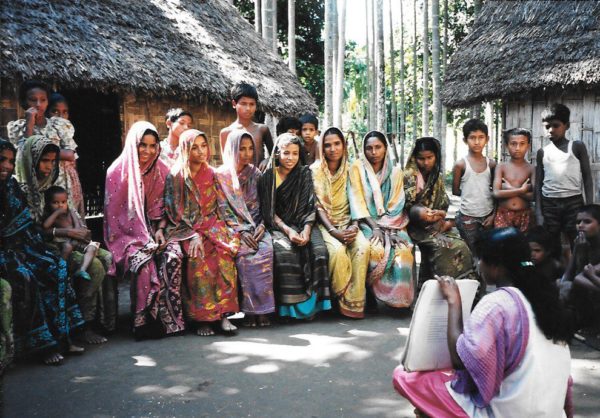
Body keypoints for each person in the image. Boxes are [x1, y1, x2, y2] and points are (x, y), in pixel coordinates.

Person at [393, 227, 574, 418]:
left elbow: (462, 360)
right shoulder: (545, 298)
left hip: (512, 411)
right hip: (551, 409)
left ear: (495, 266)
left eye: (481, 260)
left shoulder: (497, 304)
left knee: (408, 377)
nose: (479, 265)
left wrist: (454, 302)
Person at [0, 138, 84, 365]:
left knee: (52, 265)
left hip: (23, 245)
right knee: (25, 277)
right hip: (4, 253)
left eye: (9, 160)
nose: (7, 166)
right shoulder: (23, 186)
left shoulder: (11, 187)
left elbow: (26, 226)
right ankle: (41, 345)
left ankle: (64, 336)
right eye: (2, 160)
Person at [104, 121, 185, 339]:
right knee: (144, 263)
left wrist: (159, 230)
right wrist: (141, 237)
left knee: (173, 256)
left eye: (153, 145)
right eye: (143, 145)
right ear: (133, 144)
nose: (148, 151)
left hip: (157, 229)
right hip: (126, 235)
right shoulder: (116, 172)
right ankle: (143, 321)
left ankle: (168, 320)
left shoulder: (162, 170)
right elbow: (115, 218)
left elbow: (164, 209)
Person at [164, 129, 240, 336]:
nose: (200, 151)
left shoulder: (212, 173)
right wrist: (192, 233)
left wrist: (229, 228)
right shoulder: (176, 176)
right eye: (194, 147)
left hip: (213, 225)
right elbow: (173, 211)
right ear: (185, 149)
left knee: (225, 257)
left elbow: (222, 205)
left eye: (203, 146)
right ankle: (203, 319)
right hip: (187, 229)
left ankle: (224, 315)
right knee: (198, 259)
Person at [258, 133, 331, 320]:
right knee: (285, 254)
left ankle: (315, 307)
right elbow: (269, 211)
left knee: (320, 252)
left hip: (305, 223)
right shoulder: (268, 176)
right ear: (277, 154)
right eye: (286, 153)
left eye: (295, 153)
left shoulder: (304, 173)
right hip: (278, 226)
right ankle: (290, 309)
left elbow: (310, 205)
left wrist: (306, 230)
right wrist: (288, 230)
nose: (290, 158)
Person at [348, 130, 415, 312]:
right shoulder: (356, 168)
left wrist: (388, 230)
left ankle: (399, 301)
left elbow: (397, 202)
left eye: (378, 147)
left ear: (385, 148)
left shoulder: (395, 172)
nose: (374, 152)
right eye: (369, 148)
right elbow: (357, 201)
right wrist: (375, 227)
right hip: (367, 222)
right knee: (375, 249)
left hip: (394, 223)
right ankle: (371, 295)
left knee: (404, 252)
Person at [215, 129, 275, 327]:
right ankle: (250, 311)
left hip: (257, 227)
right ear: (232, 149)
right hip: (233, 229)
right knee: (244, 255)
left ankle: (263, 310)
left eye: (250, 148)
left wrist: (261, 226)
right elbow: (222, 209)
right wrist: (241, 231)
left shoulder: (255, 174)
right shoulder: (220, 176)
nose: (247, 153)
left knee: (265, 252)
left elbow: (264, 205)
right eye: (242, 149)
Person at [312, 128, 370, 318]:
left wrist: (354, 225)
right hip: (326, 224)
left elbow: (357, 199)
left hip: (349, 221)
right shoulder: (315, 171)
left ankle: (354, 303)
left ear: (343, 146)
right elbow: (318, 206)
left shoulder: (352, 168)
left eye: (337, 144)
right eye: (327, 145)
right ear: (321, 148)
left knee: (362, 247)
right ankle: (340, 298)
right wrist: (333, 231)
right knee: (337, 252)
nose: (332, 149)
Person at [403, 137, 476, 283]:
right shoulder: (409, 176)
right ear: (414, 158)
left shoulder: (437, 176)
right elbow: (404, 207)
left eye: (430, 157)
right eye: (421, 158)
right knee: (446, 246)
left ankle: (462, 288)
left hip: (435, 222)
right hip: (411, 226)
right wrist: (422, 215)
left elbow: (443, 204)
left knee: (461, 244)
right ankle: (441, 286)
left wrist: (438, 216)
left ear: (436, 156)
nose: (426, 162)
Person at [8, 83, 85, 218]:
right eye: (33, 100)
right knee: (41, 219)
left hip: (60, 181)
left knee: (63, 217)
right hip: (36, 183)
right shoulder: (18, 128)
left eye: (43, 100)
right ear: (23, 102)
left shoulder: (58, 125)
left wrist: (40, 153)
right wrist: (30, 124)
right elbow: (23, 155)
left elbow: (70, 154)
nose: (38, 104)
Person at [535, 103, 593, 250]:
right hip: (549, 203)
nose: (551, 130)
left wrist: (588, 208)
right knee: (551, 244)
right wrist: (539, 212)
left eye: (556, 125)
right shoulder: (542, 152)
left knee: (578, 242)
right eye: (547, 126)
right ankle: (556, 273)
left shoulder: (577, 146)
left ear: (566, 126)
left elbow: (587, 177)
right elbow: (538, 184)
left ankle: (578, 271)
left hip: (573, 202)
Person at [452, 119, 496, 252]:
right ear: (465, 140)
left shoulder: (492, 164)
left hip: (488, 214)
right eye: (472, 138)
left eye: (481, 137)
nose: (477, 142)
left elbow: (496, 191)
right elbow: (455, 190)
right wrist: (471, 194)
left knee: (487, 250)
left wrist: (493, 214)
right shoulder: (461, 165)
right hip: (467, 215)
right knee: (471, 251)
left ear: (487, 139)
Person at [43, 186, 99, 281]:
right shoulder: (51, 215)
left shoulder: (71, 211)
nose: (60, 205)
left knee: (92, 247)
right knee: (67, 247)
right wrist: (56, 213)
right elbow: (45, 226)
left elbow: (78, 226)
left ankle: (82, 269)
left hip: (77, 239)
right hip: (63, 241)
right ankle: (61, 269)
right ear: (48, 204)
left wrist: (76, 237)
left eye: (63, 202)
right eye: (55, 203)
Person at [561, 205, 600, 333]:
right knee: (563, 286)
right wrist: (561, 286)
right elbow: (569, 272)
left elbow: (584, 275)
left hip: (594, 286)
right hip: (589, 285)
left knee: (578, 281)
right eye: (578, 222)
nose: (581, 225)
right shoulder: (580, 243)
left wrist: (582, 255)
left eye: (587, 222)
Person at [220, 82, 273, 169]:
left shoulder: (262, 129)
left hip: (260, 180)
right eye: (243, 103)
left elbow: (275, 154)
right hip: (236, 181)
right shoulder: (226, 132)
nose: (248, 108)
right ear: (234, 104)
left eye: (252, 104)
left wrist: (267, 160)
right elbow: (226, 162)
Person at [493, 128, 535, 232]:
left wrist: (509, 188)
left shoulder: (531, 169)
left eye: (522, 144)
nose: (517, 148)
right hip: (503, 214)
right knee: (503, 244)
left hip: (525, 215)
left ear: (528, 146)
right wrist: (522, 190)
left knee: (522, 246)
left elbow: (534, 196)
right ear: (507, 146)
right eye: (513, 144)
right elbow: (496, 193)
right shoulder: (501, 167)